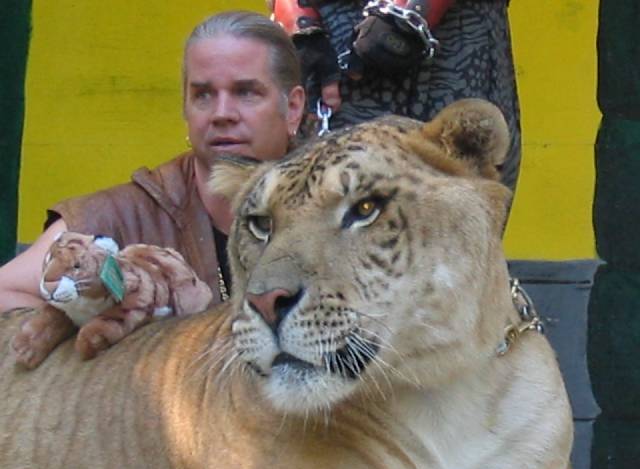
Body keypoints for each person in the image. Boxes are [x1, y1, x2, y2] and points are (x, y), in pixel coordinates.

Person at [0, 11, 305, 311]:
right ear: (186, 109)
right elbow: (5, 292)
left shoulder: (334, 209)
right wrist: (124, 352)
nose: (222, 113)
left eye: (246, 92)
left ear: (292, 108)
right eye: (203, 95)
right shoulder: (126, 216)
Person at [270, 0, 521, 192]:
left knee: (453, 226)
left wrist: (413, 10)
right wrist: (298, 21)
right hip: (329, 38)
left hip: (454, 39)